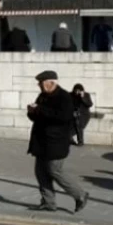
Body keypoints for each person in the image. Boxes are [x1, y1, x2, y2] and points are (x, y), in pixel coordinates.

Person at [26, 70, 89, 213]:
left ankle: (80, 195)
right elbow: (38, 116)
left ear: (51, 83)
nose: (39, 86)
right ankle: (48, 202)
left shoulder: (64, 97)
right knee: (41, 172)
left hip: (56, 142)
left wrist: (41, 110)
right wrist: (31, 112)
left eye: (41, 83)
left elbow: (63, 117)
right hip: (41, 142)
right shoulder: (42, 96)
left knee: (55, 170)